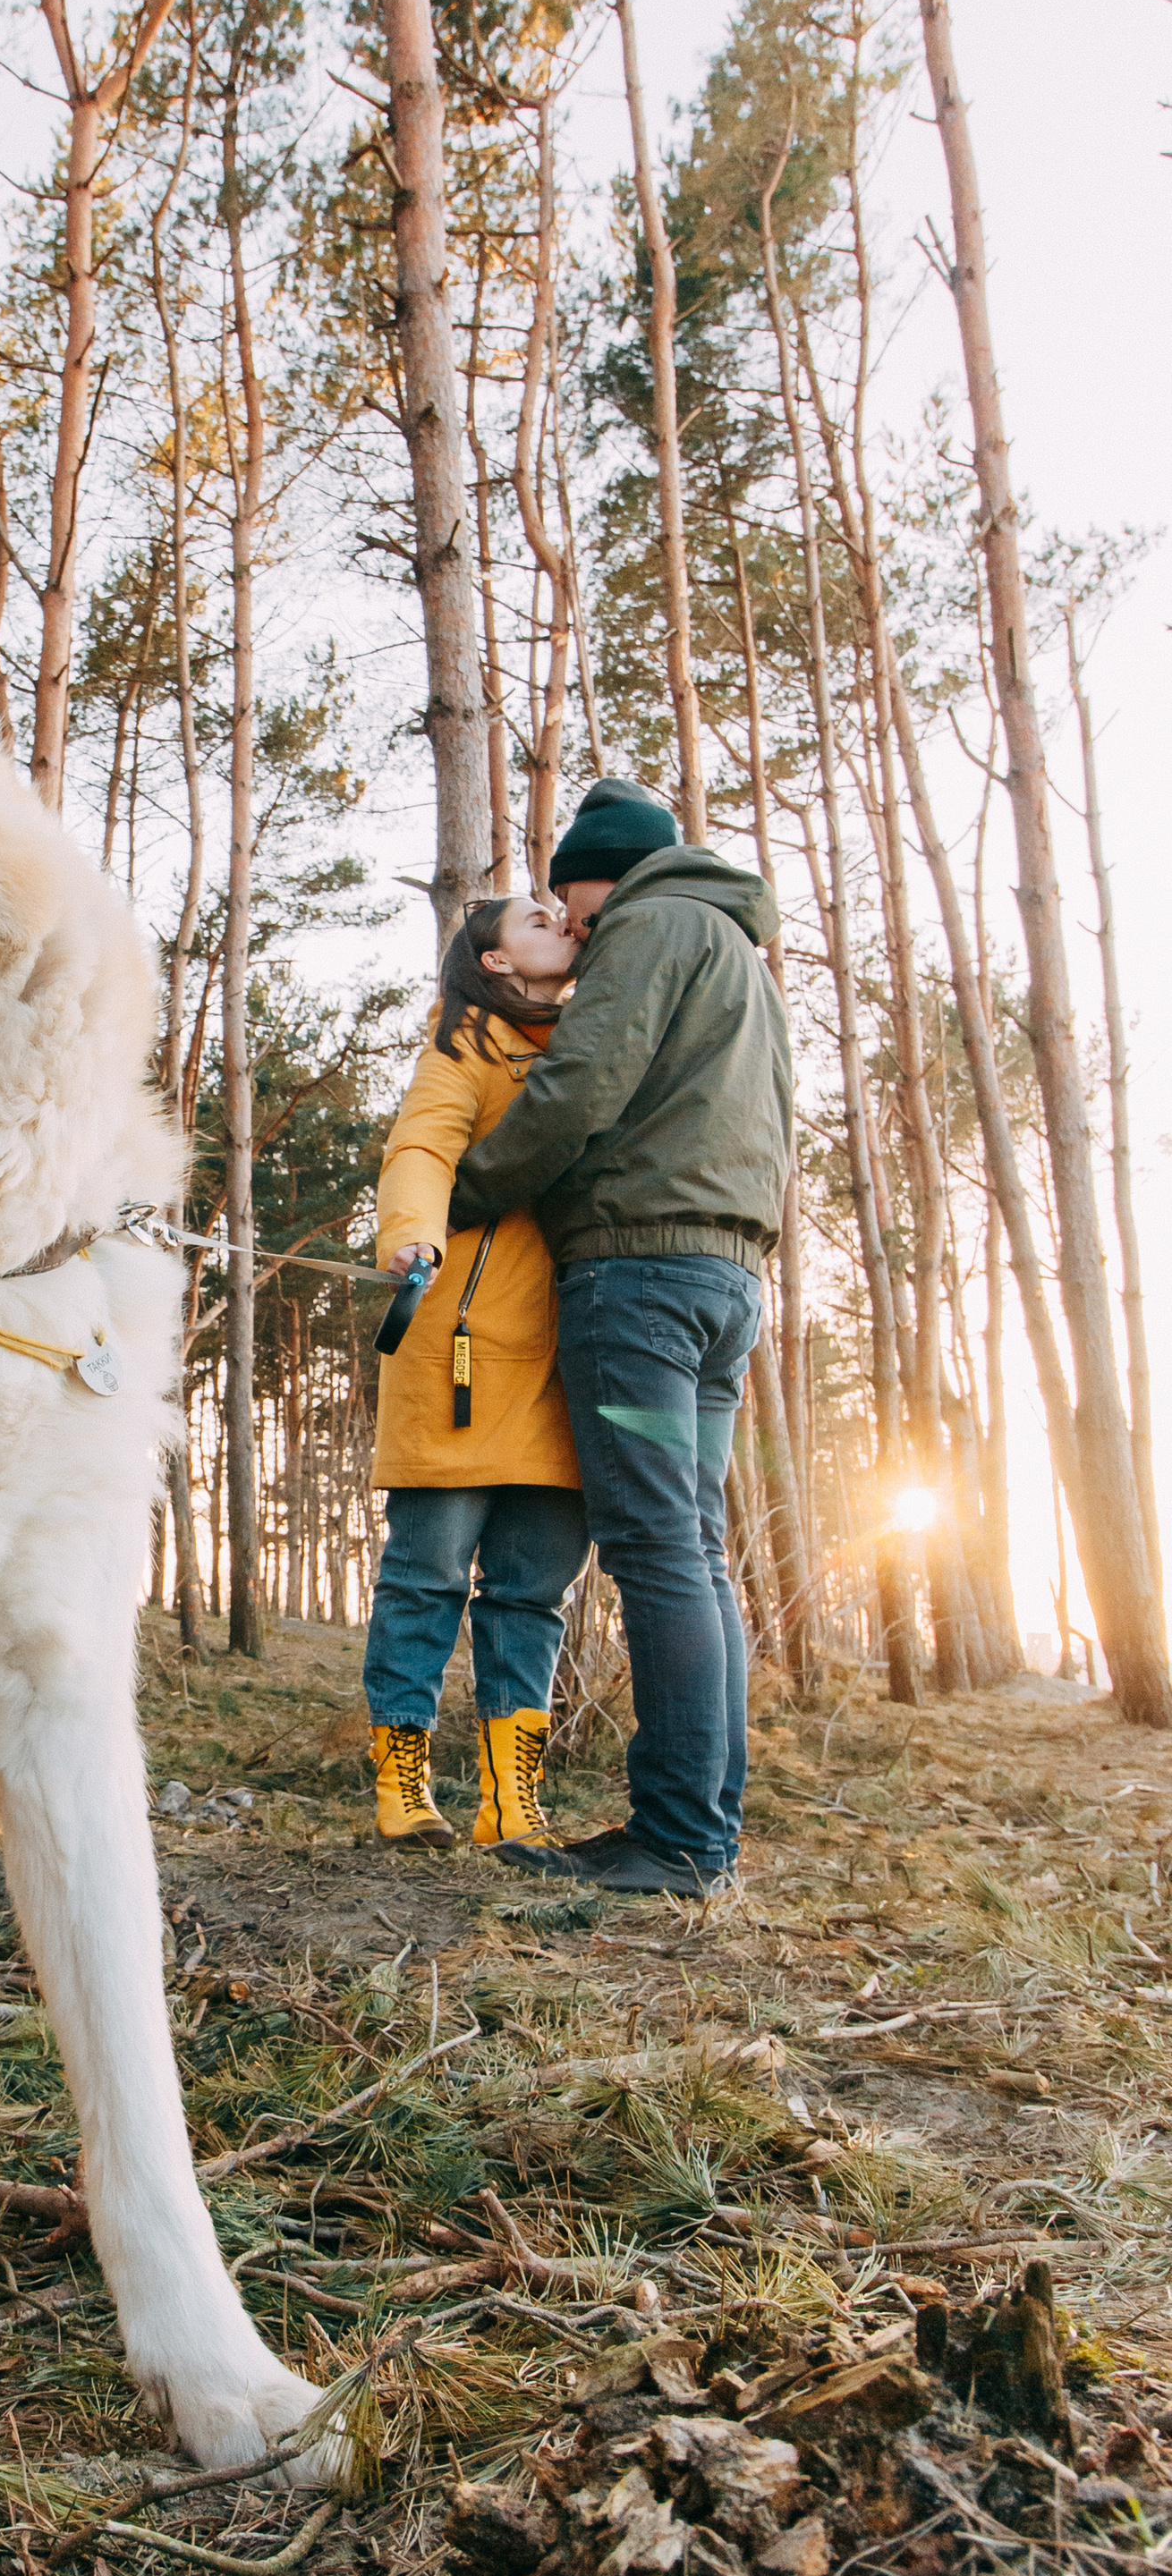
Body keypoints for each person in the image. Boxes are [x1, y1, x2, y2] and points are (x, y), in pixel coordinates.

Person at [449, 778, 794, 1900]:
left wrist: (474, 1186)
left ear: (601, 876)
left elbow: (578, 1082)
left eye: (569, 901)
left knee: (657, 1551)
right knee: (689, 1551)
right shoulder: (734, 948)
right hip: (723, 1281)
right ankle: (696, 1827)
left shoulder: (647, 924)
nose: (574, 928)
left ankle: (682, 1841)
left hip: (639, 1279)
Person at [364, 894, 589, 1854]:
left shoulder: (597, 1038)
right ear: (496, 965)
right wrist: (411, 1228)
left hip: (567, 1365)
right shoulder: (462, 1047)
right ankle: (401, 1788)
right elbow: (420, 1143)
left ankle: (511, 1802)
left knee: (532, 1592)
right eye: (537, 921)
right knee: (423, 1580)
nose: (563, 923)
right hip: (460, 1353)